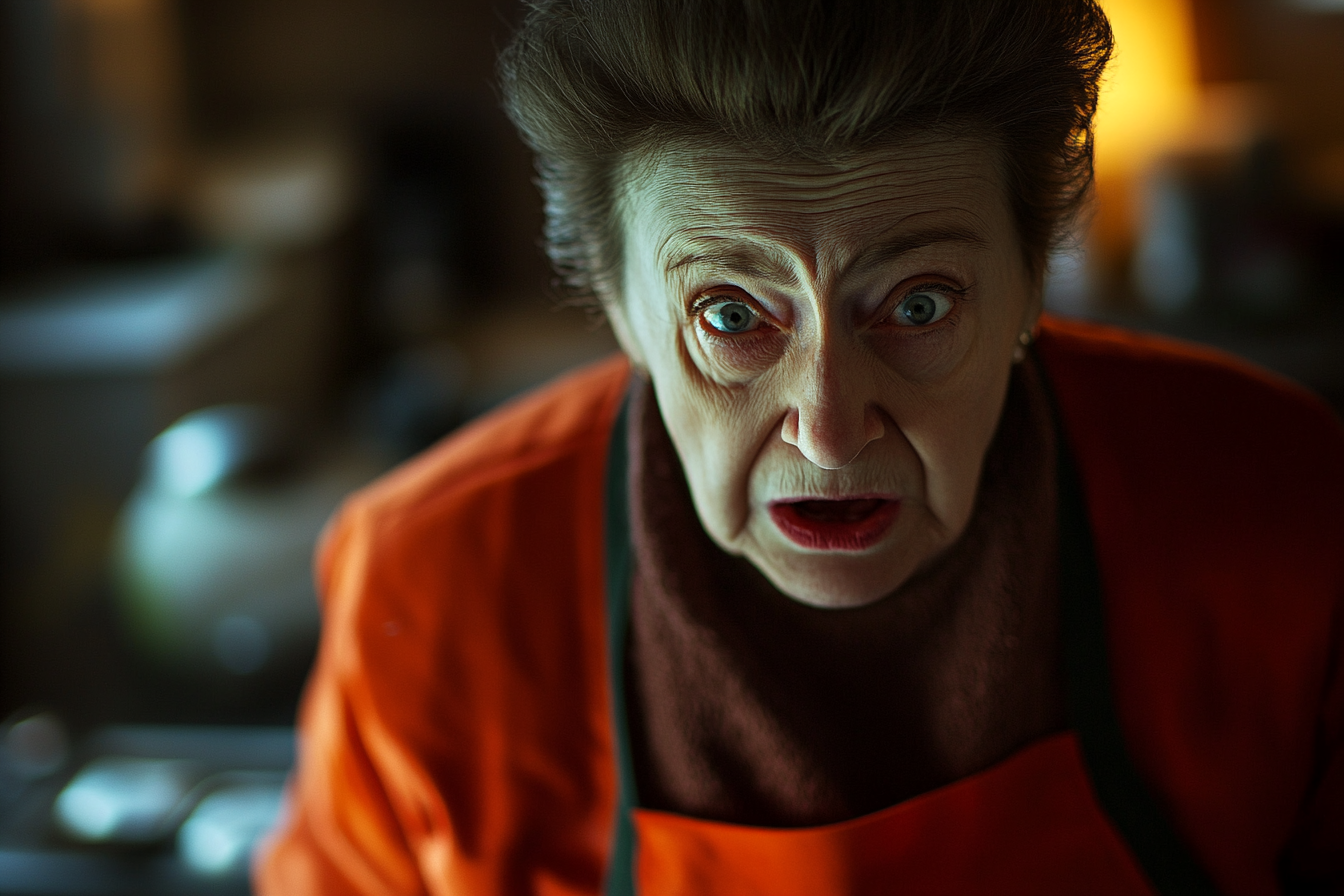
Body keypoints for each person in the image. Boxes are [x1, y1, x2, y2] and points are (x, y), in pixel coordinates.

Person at [256, 0, 1344, 892]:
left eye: (918, 305)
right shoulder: (434, 585)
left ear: (1030, 285)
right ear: (618, 303)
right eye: (731, 315)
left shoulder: (1288, 507)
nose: (828, 430)